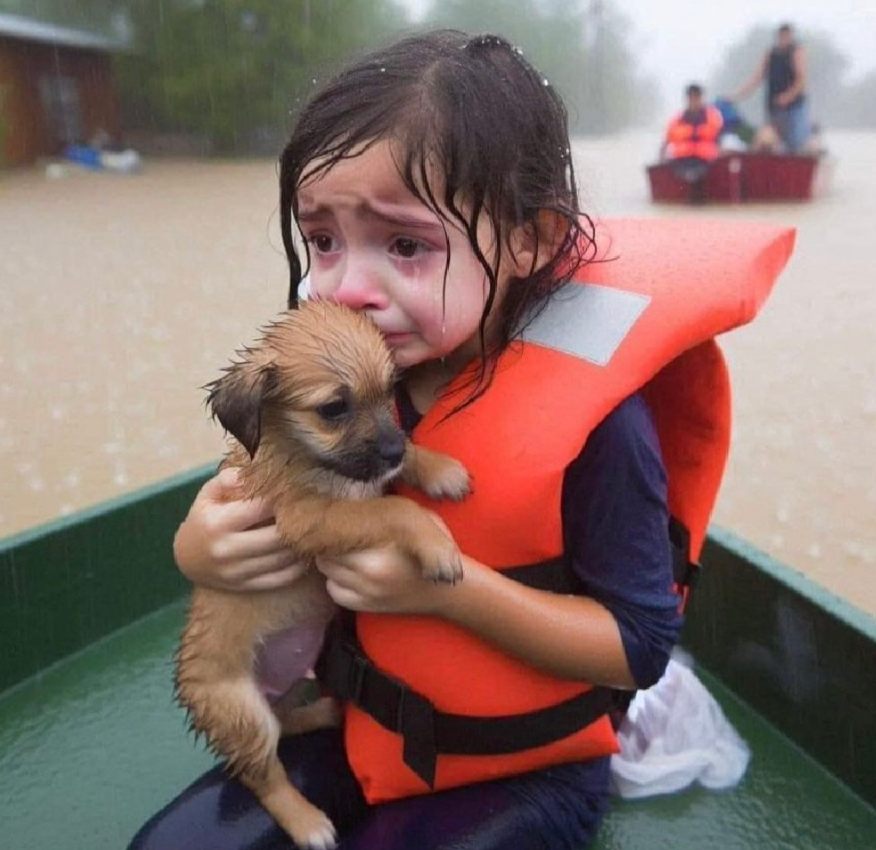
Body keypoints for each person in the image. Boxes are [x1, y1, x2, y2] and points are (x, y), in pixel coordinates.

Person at [128, 29, 788, 850]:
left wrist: (450, 591)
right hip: (353, 717)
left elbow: (640, 649)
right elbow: (262, 496)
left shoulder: (604, 427)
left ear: (530, 240)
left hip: (522, 761)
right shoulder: (348, 372)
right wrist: (199, 547)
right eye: (323, 239)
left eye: (404, 244)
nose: (348, 287)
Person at [730, 22, 811, 153]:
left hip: (794, 108)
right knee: (769, 143)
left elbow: (802, 80)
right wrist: (737, 95)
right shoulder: (771, 53)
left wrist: (787, 97)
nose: (784, 39)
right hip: (774, 108)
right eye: (782, 36)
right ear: (778, 36)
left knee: (795, 144)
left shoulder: (796, 51)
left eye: (787, 36)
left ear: (791, 36)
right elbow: (756, 77)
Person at [660, 83, 723, 164]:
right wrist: (661, 158)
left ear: (701, 98)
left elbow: (720, 138)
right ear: (687, 98)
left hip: (707, 161)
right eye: (691, 96)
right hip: (680, 161)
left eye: (696, 96)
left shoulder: (713, 116)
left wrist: (720, 155)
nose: (694, 99)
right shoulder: (677, 119)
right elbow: (666, 142)